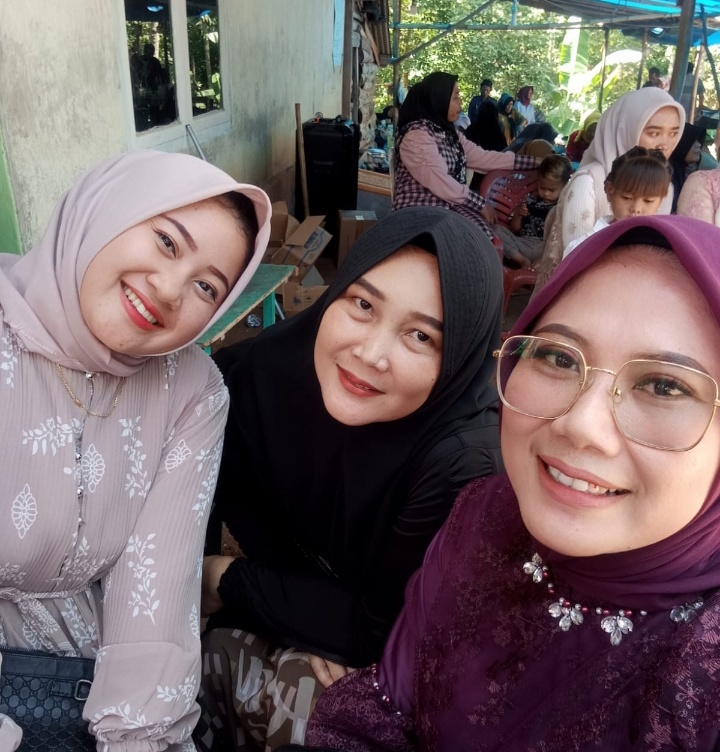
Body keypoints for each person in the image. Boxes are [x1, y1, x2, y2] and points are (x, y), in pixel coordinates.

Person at [299, 214, 720, 751]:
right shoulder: (486, 515)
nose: (581, 426)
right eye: (558, 356)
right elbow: (387, 705)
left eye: (664, 387)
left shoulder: (701, 666)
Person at [195, 207, 505, 752]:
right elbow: (218, 501)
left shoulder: (461, 464)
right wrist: (309, 611)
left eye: (420, 336)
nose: (370, 354)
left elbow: (379, 631)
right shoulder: (265, 372)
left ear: (457, 357)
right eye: (362, 304)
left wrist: (224, 577)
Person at [0, 150, 271, 750]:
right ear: (108, 210)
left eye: (206, 286)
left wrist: (136, 739)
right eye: (167, 242)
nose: (170, 291)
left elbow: (157, 595)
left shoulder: (190, 390)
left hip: (88, 687)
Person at [534, 87, 683, 292]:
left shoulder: (665, 188)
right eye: (654, 133)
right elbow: (577, 267)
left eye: (674, 133)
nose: (664, 144)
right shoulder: (588, 183)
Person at [392, 72, 539, 241]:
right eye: (455, 97)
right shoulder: (416, 136)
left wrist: (534, 162)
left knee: (489, 235)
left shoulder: (449, 134)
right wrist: (479, 203)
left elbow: (484, 158)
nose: (460, 102)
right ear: (438, 99)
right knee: (475, 238)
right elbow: (440, 181)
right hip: (419, 218)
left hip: (444, 211)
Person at [563, 146, 671, 258]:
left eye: (648, 201)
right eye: (626, 197)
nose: (636, 208)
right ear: (609, 191)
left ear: (660, 201)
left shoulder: (665, 247)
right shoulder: (583, 247)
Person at [493, 154, 573, 269]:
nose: (546, 193)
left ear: (564, 186)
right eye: (542, 188)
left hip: (545, 248)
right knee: (495, 230)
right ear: (538, 182)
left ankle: (541, 262)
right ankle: (521, 260)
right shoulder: (529, 201)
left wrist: (545, 258)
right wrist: (518, 214)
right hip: (523, 244)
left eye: (552, 190)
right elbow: (514, 229)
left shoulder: (562, 206)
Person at [668, 123, 706, 211]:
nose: (699, 145)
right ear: (681, 143)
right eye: (693, 141)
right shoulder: (667, 177)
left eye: (699, 141)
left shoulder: (684, 173)